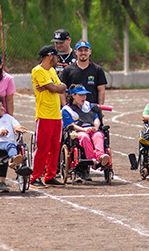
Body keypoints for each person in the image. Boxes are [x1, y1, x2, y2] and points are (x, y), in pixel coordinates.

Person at [31, 45, 67, 187]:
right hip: (44, 115)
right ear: (50, 56)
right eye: (56, 56)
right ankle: (35, 176)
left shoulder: (51, 71)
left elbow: (62, 88)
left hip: (56, 115)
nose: (58, 59)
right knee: (42, 148)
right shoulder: (38, 70)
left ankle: (50, 176)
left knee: (55, 147)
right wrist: (53, 87)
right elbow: (55, 88)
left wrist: (53, 87)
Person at [62, 84, 110, 172]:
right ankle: (92, 160)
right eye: (81, 95)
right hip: (78, 131)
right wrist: (84, 130)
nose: (84, 97)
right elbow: (71, 125)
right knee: (84, 137)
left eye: (85, 95)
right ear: (73, 95)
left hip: (91, 129)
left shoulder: (88, 105)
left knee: (98, 135)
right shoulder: (66, 109)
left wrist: (95, 127)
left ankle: (101, 156)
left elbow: (96, 118)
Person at [59, 41, 107, 105]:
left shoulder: (97, 70)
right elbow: (62, 91)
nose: (83, 53)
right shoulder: (68, 70)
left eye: (86, 50)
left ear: (90, 52)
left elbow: (101, 91)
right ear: (76, 52)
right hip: (73, 108)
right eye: (80, 50)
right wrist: (65, 106)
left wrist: (100, 107)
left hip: (92, 107)